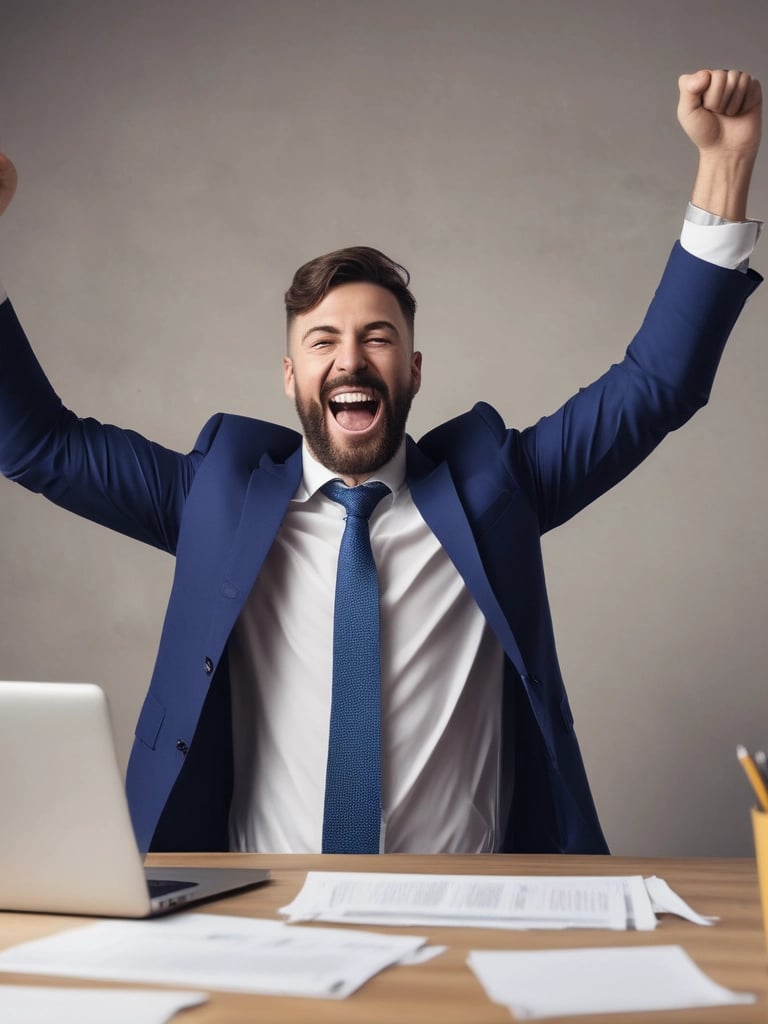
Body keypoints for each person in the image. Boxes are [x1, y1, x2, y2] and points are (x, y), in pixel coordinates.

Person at [0, 69, 762, 855]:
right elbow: (37, 445)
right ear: (290, 376)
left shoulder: (497, 489)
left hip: (465, 903)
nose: (350, 360)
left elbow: (656, 387)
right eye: (322, 341)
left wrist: (726, 161)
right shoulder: (215, 498)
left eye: (378, 338)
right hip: (263, 904)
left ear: (414, 370)